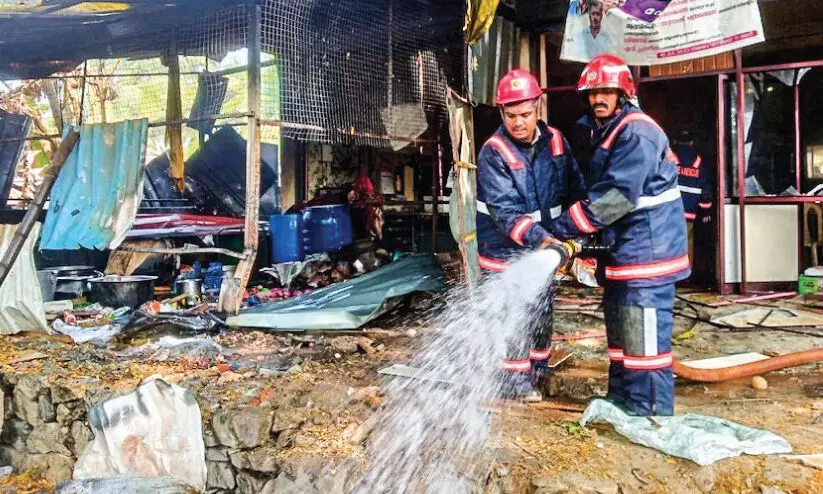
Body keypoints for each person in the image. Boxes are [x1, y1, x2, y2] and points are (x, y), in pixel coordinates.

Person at [550, 54, 690, 416]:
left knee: (643, 340)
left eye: (606, 91)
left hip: (648, 255)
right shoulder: (606, 129)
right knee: (621, 336)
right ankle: (622, 401)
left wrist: (562, 229)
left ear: (623, 92)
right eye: (592, 92)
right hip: (625, 254)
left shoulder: (637, 132)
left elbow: (616, 198)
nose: (598, 98)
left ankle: (650, 414)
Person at [476, 68, 586, 401]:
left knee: (541, 311)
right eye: (511, 116)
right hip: (504, 253)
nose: (518, 123)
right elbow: (506, 213)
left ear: (538, 107)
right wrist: (545, 240)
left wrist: (578, 234)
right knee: (514, 316)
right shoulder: (494, 152)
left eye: (525, 114)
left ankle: (538, 371)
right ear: (501, 113)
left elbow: (575, 190)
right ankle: (514, 382)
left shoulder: (556, 141)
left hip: (543, 249)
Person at [672, 130, 713, 269]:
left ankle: (671, 273)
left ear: (675, 142)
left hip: (671, 211)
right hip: (690, 211)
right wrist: (706, 211)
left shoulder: (670, 158)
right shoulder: (698, 161)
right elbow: (706, 189)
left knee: (670, 241)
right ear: (691, 142)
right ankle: (686, 272)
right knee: (687, 241)